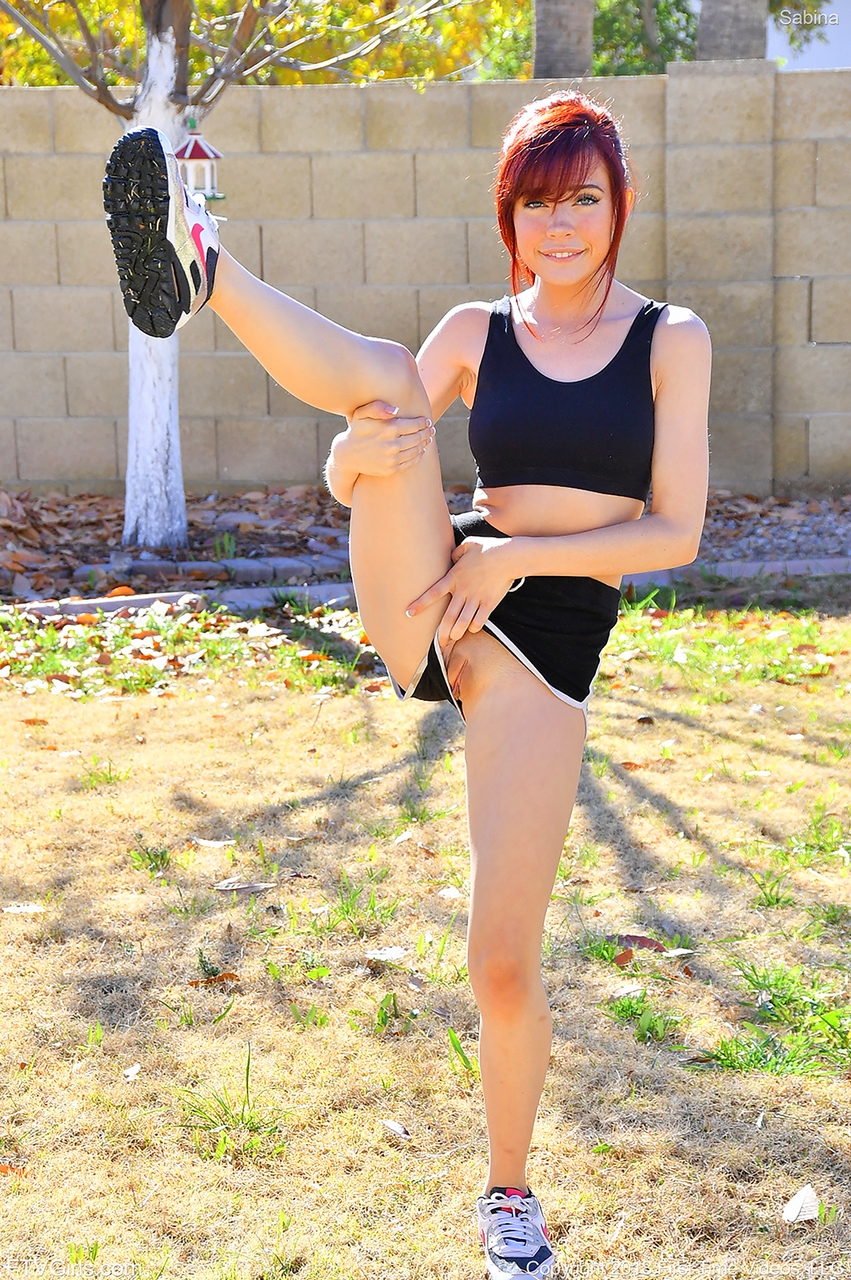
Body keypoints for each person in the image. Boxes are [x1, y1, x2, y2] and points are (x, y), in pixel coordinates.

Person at [103, 90, 711, 1279]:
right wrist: (352, 462)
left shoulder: (667, 338)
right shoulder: (476, 329)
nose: (558, 225)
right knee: (384, 381)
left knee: (501, 956)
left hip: (540, 631)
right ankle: (200, 267)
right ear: (508, 215)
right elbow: (353, 465)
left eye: (581, 199)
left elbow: (673, 530)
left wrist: (513, 556)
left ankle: (508, 1196)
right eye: (536, 203)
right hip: (433, 589)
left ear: (617, 207)